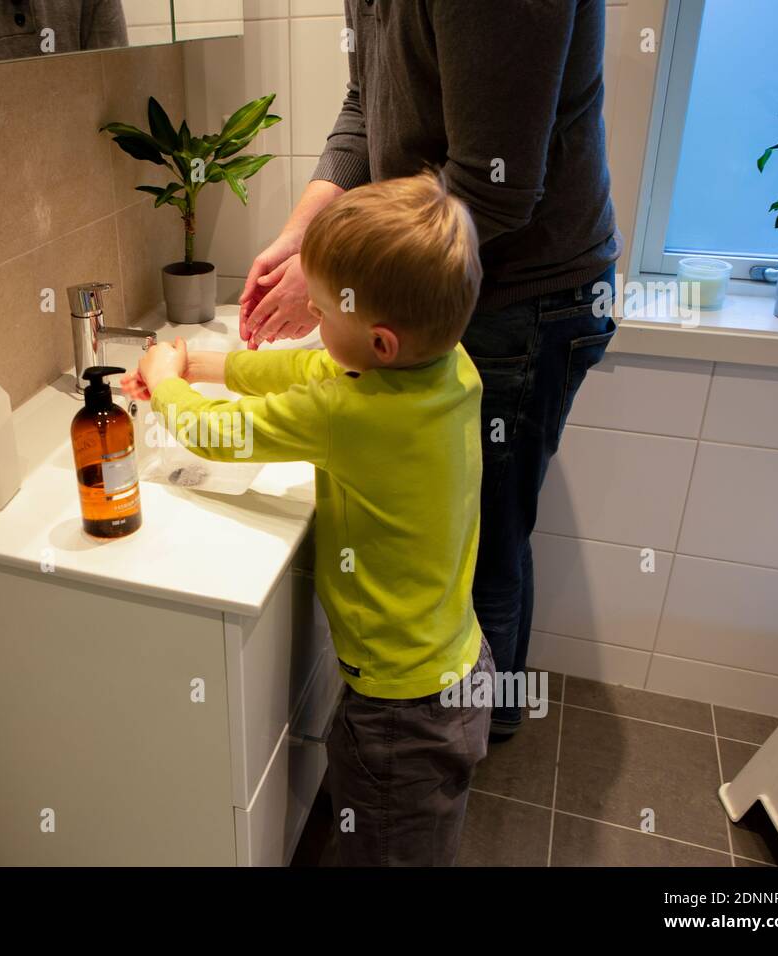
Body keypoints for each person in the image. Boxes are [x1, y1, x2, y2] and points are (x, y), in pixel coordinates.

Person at [239, 0, 622, 739]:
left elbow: (495, 185)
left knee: (483, 546)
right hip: (434, 289)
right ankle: (488, 715)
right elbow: (365, 109)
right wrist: (302, 237)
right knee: (476, 532)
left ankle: (463, 747)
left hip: (519, 290)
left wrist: (338, 281)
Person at [122, 171, 494, 865]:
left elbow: (220, 436)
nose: (315, 326)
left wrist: (166, 380)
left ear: (380, 343)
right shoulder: (450, 366)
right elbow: (317, 371)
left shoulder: (352, 416)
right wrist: (203, 364)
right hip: (456, 668)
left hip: (398, 714)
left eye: (323, 312)